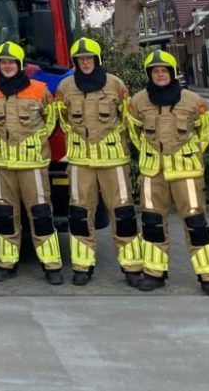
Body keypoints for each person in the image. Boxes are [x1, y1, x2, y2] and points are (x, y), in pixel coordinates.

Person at [126, 50, 209, 296]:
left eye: (164, 70)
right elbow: (134, 131)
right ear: (150, 74)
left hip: (186, 172)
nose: (160, 75)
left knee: (196, 223)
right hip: (152, 172)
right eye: (155, 71)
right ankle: (154, 273)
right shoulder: (138, 101)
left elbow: (205, 131)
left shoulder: (192, 100)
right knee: (152, 223)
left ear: (171, 73)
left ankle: (208, 276)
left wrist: (192, 153)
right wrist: (149, 153)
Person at [54, 38, 144, 286]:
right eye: (81, 59)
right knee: (80, 214)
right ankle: (82, 267)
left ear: (97, 60)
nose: (85, 62)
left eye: (89, 58)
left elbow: (129, 118)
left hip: (113, 161)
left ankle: (132, 268)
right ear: (75, 62)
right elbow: (61, 119)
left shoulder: (115, 84)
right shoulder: (65, 86)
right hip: (80, 162)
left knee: (123, 213)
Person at [0, 42, 63, 284]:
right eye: (3, 62)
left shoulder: (39, 90)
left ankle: (51, 265)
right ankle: (6, 263)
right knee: (4, 214)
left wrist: (36, 141)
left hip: (32, 164)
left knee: (41, 213)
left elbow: (51, 119)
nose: (7, 66)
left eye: (11, 62)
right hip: (1, 165)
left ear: (20, 65)